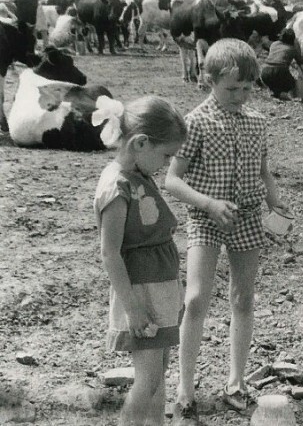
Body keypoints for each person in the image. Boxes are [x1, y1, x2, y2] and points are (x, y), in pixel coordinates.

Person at [165, 38, 289, 423]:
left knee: (243, 297)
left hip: (248, 217)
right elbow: (172, 180)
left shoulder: (257, 122)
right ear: (210, 80)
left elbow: (264, 170)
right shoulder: (197, 122)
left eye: (247, 88)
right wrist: (207, 204)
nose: (240, 96)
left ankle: (236, 381)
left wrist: (274, 202)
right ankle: (185, 386)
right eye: (231, 88)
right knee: (198, 296)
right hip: (207, 217)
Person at [93, 96, 187, 426]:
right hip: (142, 290)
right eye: (165, 155)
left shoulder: (137, 174)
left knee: (158, 370)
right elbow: (111, 252)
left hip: (159, 284)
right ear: (141, 143)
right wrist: (133, 307)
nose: (165, 163)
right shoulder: (117, 186)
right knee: (146, 378)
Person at [260, 28, 303, 100]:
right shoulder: (292, 49)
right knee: (291, 83)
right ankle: (285, 94)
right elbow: (302, 66)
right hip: (279, 71)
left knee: (274, 81)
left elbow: (278, 56)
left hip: (265, 72)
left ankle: (276, 93)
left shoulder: (274, 44)